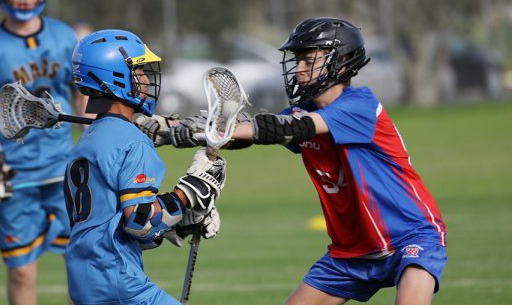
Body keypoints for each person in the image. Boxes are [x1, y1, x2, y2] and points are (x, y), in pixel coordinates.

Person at [158, 17, 448, 305]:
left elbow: (288, 128)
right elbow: (250, 135)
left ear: (342, 64)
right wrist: (176, 131)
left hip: (411, 236)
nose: (299, 69)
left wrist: (221, 129)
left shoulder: (360, 105)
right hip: (350, 252)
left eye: (309, 61)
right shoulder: (302, 111)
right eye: (297, 61)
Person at [64, 28, 225, 305]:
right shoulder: (132, 141)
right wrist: (191, 191)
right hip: (118, 280)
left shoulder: (88, 138)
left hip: (82, 280)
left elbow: (108, 222)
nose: (145, 79)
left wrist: (176, 225)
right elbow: (139, 221)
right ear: (113, 78)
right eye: (138, 71)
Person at [0, 0, 86, 305]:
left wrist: (95, 138)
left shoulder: (65, 37)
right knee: (21, 269)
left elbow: (82, 98)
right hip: (13, 172)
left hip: (61, 166)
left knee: (81, 261)